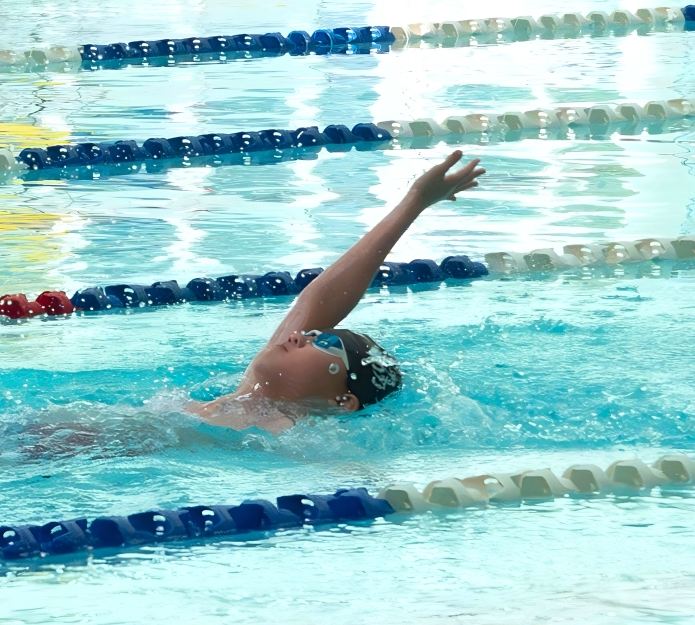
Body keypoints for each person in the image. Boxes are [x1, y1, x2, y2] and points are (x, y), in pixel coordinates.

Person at [188, 150, 484, 434]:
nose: (297, 336)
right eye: (311, 334)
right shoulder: (245, 395)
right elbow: (320, 299)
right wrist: (415, 201)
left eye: (324, 343)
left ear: (342, 402)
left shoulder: (294, 441)